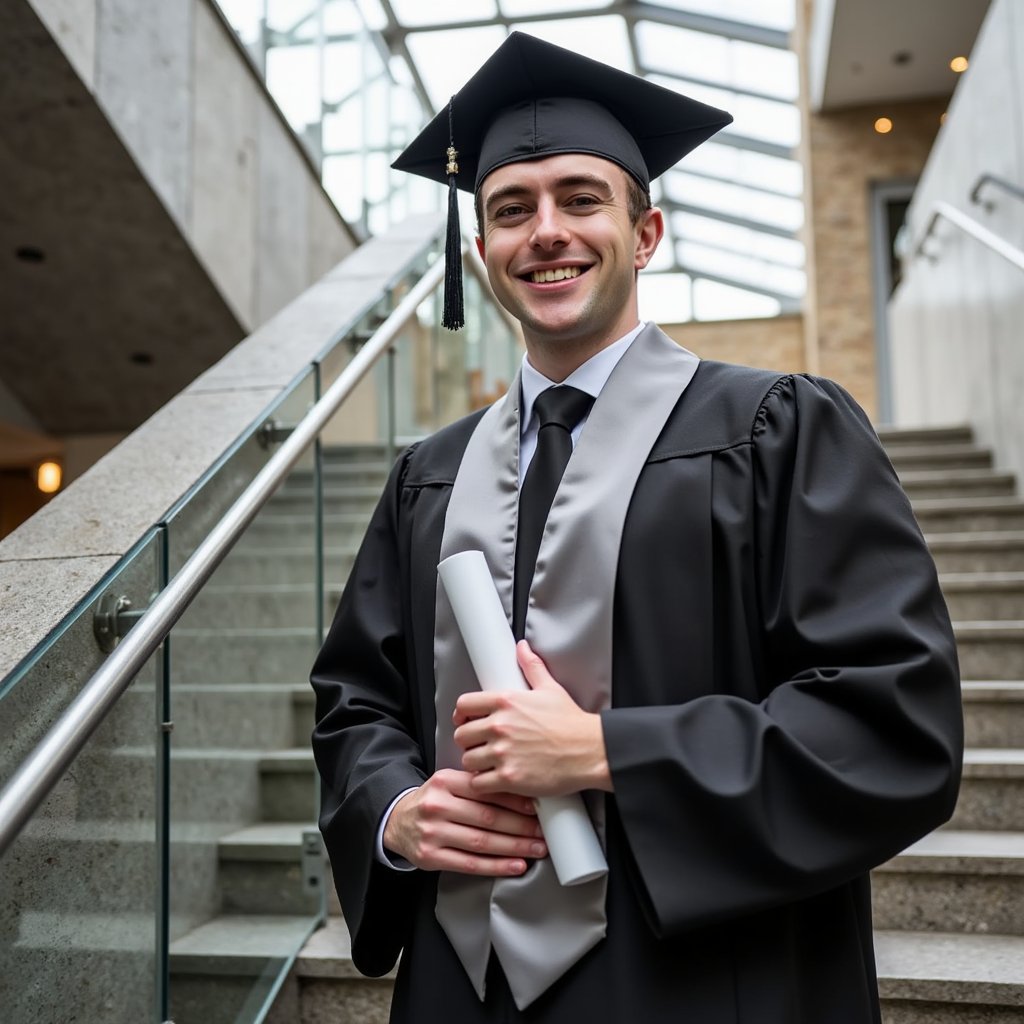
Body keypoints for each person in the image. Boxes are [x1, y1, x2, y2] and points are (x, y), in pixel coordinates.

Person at [311, 32, 963, 1024]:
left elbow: (892, 720)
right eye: (510, 209)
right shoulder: (427, 477)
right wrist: (397, 809)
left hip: (708, 972)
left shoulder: (777, 430)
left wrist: (606, 750)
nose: (546, 233)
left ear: (645, 230)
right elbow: (357, 699)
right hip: (464, 977)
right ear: (480, 250)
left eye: (580, 198)